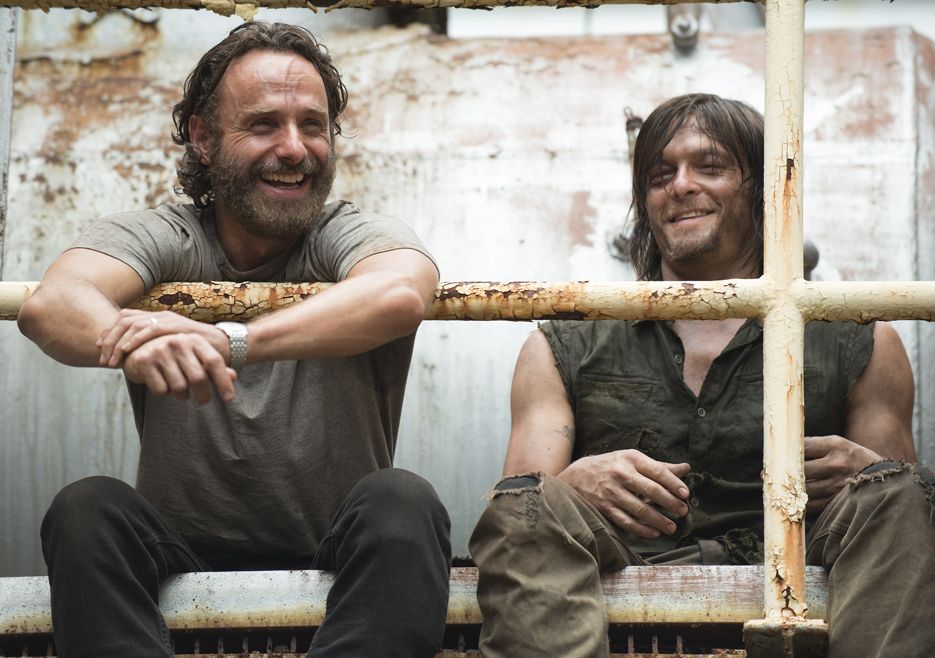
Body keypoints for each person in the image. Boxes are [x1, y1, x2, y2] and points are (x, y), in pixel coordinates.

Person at [17, 21, 451, 658]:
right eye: (264, 124)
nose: (295, 148)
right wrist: (129, 337)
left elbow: (400, 294)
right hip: (179, 551)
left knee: (403, 501)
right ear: (203, 137)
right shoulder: (170, 237)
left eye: (313, 125)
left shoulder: (348, 233)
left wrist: (226, 342)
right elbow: (52, 305)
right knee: (87, 509)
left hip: (337, 546)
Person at [469, 93, 934, 658]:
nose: (681, 185)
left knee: (897, 493)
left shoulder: (861, 339)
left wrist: (868, 474)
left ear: (762, 189)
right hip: (619, 573)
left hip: (802, 575)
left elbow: (901, 510)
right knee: (529, 504)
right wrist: (573, 482)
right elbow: (521, 506)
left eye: (709, 167)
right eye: (660, 175)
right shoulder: (562, 343)